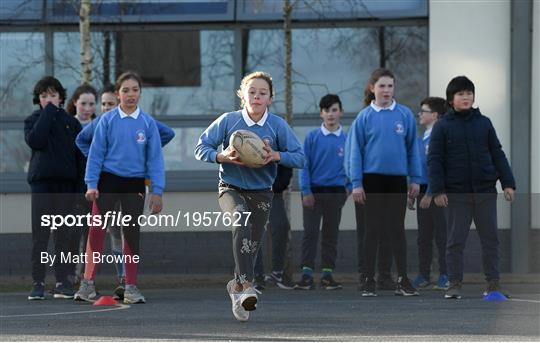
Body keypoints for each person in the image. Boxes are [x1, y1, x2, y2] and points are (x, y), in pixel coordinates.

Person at [194, 71, 304, 322]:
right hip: (230, 187)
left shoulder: (277, 125)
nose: (256, 96)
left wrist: (276, 156)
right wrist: (221, 156)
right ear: (241, 94)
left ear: (270, 98)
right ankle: (248, 286)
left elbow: (300, 157)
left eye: (262, 93)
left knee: (251, 247)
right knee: (240, 219)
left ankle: (236, 287)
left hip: (263, 192)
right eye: (251, 91)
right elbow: (201, 148)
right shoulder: (228, 120)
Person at [75, 84, 174, 300]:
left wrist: (144, 153)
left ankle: (129, 286)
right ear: (119, 95)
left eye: (135, 90)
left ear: (139, 93)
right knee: (97, 231)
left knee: (129, 234)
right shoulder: (105, 121)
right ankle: (87, 284)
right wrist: (93, 178)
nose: (130, 95)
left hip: (134, 184)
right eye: (125, 91)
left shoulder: (146, 122)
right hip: (107, 182)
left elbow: (162, 142)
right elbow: (89, 146)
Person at [428, 76, 515, 299]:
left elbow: (497, 154)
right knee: (455, 241)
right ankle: (454, 283)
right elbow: (435, 160)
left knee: (491, 240)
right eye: (460, 94)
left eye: (469, 93)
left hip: (485, 192)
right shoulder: (442, 126)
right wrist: (437, 190)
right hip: (456, 195)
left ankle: (493, 284)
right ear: (450, 99)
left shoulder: (484, 123)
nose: (466, 97)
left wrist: (508, 183)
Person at [347, 68, 421, 297]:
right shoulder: (364, 117)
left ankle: (402, 279)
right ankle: (368, 279)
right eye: (382, 86)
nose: (386, 90)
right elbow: (354, 153)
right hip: (371, 180)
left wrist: (416, 179)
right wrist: (356, 183)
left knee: (397, 230)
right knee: (372, 230)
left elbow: (413, 149)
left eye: (390, 86)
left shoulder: (405, 115)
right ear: (372, 88)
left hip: (397, 180)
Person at [24, 76, 85, 300]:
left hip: (66, 186)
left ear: (61, 97)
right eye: (43, 96)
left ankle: (62, 281)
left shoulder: (72, 123)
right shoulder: (33, 120)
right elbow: (36, 141)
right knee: (40, 236)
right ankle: (38, 282)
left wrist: (80, 191)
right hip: (42, 185)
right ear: (38, 99)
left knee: (63, 236)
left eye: (52, 95)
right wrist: (48, 113)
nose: (48, 99)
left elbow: (80, 159)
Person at [295, 94, 349, 290]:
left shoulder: (347, 139)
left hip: (336, 193)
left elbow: (352, 165)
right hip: (313, 193)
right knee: (310, 233)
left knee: (330, 234)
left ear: (340, 112)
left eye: (334, 110)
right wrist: (306, 191)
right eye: (327, 110)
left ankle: (327, 275)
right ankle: (306, 275)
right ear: (321, 114)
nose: (331, 114)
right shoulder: (312, 137)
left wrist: (349, 188)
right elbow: (304, 166)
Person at [408, 97, 449, 290]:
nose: (420, 114)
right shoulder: (419, 138)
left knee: (442, 235)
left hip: (437, 193)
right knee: (423, 236)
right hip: (422, 191)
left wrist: (431, 193)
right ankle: (424, 274)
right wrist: (412, 189)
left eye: (423, 111)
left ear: (435, 115)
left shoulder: (441, 137)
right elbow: (417, 167)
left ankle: (445, 275)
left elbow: (440, 168)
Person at [65, 84, 98, 285]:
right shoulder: (67, 126)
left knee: (90, 237)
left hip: (93, 190)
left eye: (91, 104)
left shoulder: (100, 126)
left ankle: (86, 277)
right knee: (72, 233)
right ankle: (69, 275)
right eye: (83, 103)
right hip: (72, 190)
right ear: (75, 103)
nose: (87, 108)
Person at [253, 165, 296, 291]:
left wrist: (278, 185)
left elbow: (287, 166)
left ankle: (277, 274)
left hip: (275, 194)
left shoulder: (279, 146)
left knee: (281, 226)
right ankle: (256, 276)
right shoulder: (247, 145)